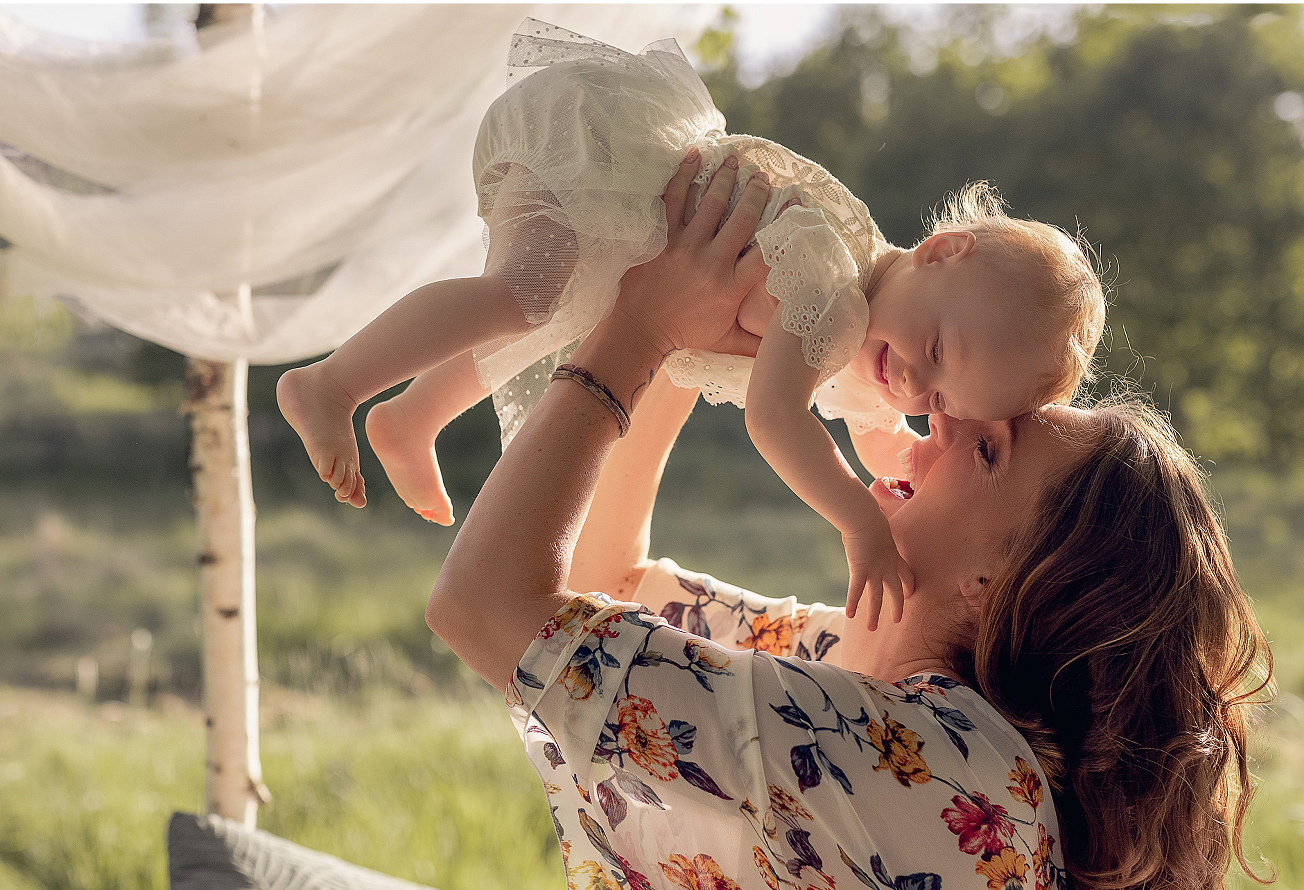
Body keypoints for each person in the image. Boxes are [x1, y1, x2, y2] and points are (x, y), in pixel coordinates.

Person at [425, 155, 1270, 890]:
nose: (940, 419)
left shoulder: (932, 760)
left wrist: (633, 331)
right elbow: (610, 586)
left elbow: (485, 607)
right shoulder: (886, 688)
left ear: (1002, 580)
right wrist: (690, 344)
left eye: (988, 453)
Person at [278, 18, 1104, 629]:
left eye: (944, 399)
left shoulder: (871, 353)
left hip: (624, 222)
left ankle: (410, 416)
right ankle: (330, 382)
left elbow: (882, 439)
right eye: (934, 351)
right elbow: (775, 418)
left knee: (551, 312)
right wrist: (857, 519)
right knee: (522, 297)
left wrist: (897, 477)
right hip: (598, 149)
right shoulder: (836, 290)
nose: (917, 385)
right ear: (940, 250)